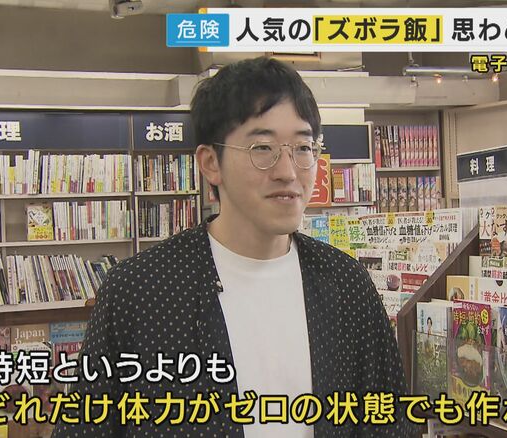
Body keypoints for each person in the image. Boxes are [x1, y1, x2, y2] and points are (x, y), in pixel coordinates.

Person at [52, 56, 415, 437]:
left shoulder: (346, 284)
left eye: (303, 147)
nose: (288, 171)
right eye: (263, 148)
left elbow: (390, 423)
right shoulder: (139, 290)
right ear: (211, 163)